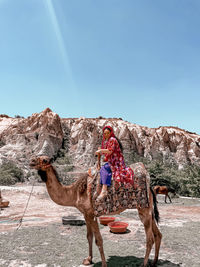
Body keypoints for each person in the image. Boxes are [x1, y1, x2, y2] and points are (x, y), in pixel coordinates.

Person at [95, 125, 134, 201]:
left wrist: (100, 151)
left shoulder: (112, 140)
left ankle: (104, 190)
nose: (105, 135)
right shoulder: (108, 141)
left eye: (107, 133)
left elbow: (110, 151)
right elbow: (106, 152)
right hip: (112, 161)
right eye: (104, 133)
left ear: (110, 133)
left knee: (104, 169)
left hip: (116, 162)